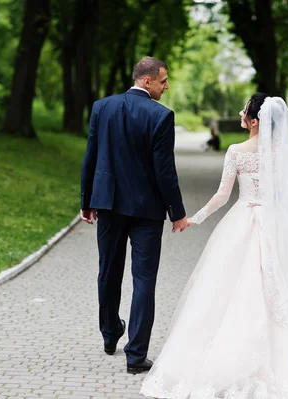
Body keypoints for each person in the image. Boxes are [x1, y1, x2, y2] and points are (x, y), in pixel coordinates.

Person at [140, 94, 288, 397]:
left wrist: (192, 219)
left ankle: (233, 357)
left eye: (245, 110)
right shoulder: (280, 152)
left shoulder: (236, 151)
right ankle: (285, 359)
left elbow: (223, 196)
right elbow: (287, 193)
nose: (240, 113)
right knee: (280, 286)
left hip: (243, 222)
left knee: (232, 288)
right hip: (275, 226)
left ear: (254, 120)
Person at [80, 56, 188, 375]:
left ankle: (110, 334)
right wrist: (177, 213)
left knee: (108, 272)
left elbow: (91, 157)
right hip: (147, 210)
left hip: (108, 205)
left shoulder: (102, 107)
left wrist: (87, 202)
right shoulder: (161, 116)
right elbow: (165, 172)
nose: (166, 85)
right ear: (146, 81)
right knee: (144, 280)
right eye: (163, 80)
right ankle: (136, 355)